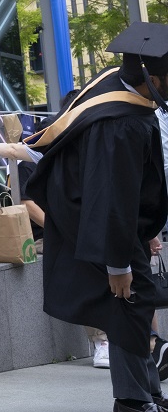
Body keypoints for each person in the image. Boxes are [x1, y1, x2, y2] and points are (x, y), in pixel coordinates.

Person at [26, 22, 168, 412]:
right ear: (151, 78)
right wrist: (117, 261)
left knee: (134, 309)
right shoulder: (121, 123)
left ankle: (148, 395)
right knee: (126, 307)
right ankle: (134, 401)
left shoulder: (111, 86)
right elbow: (113, 197)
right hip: (104, 228)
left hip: (105, 222)